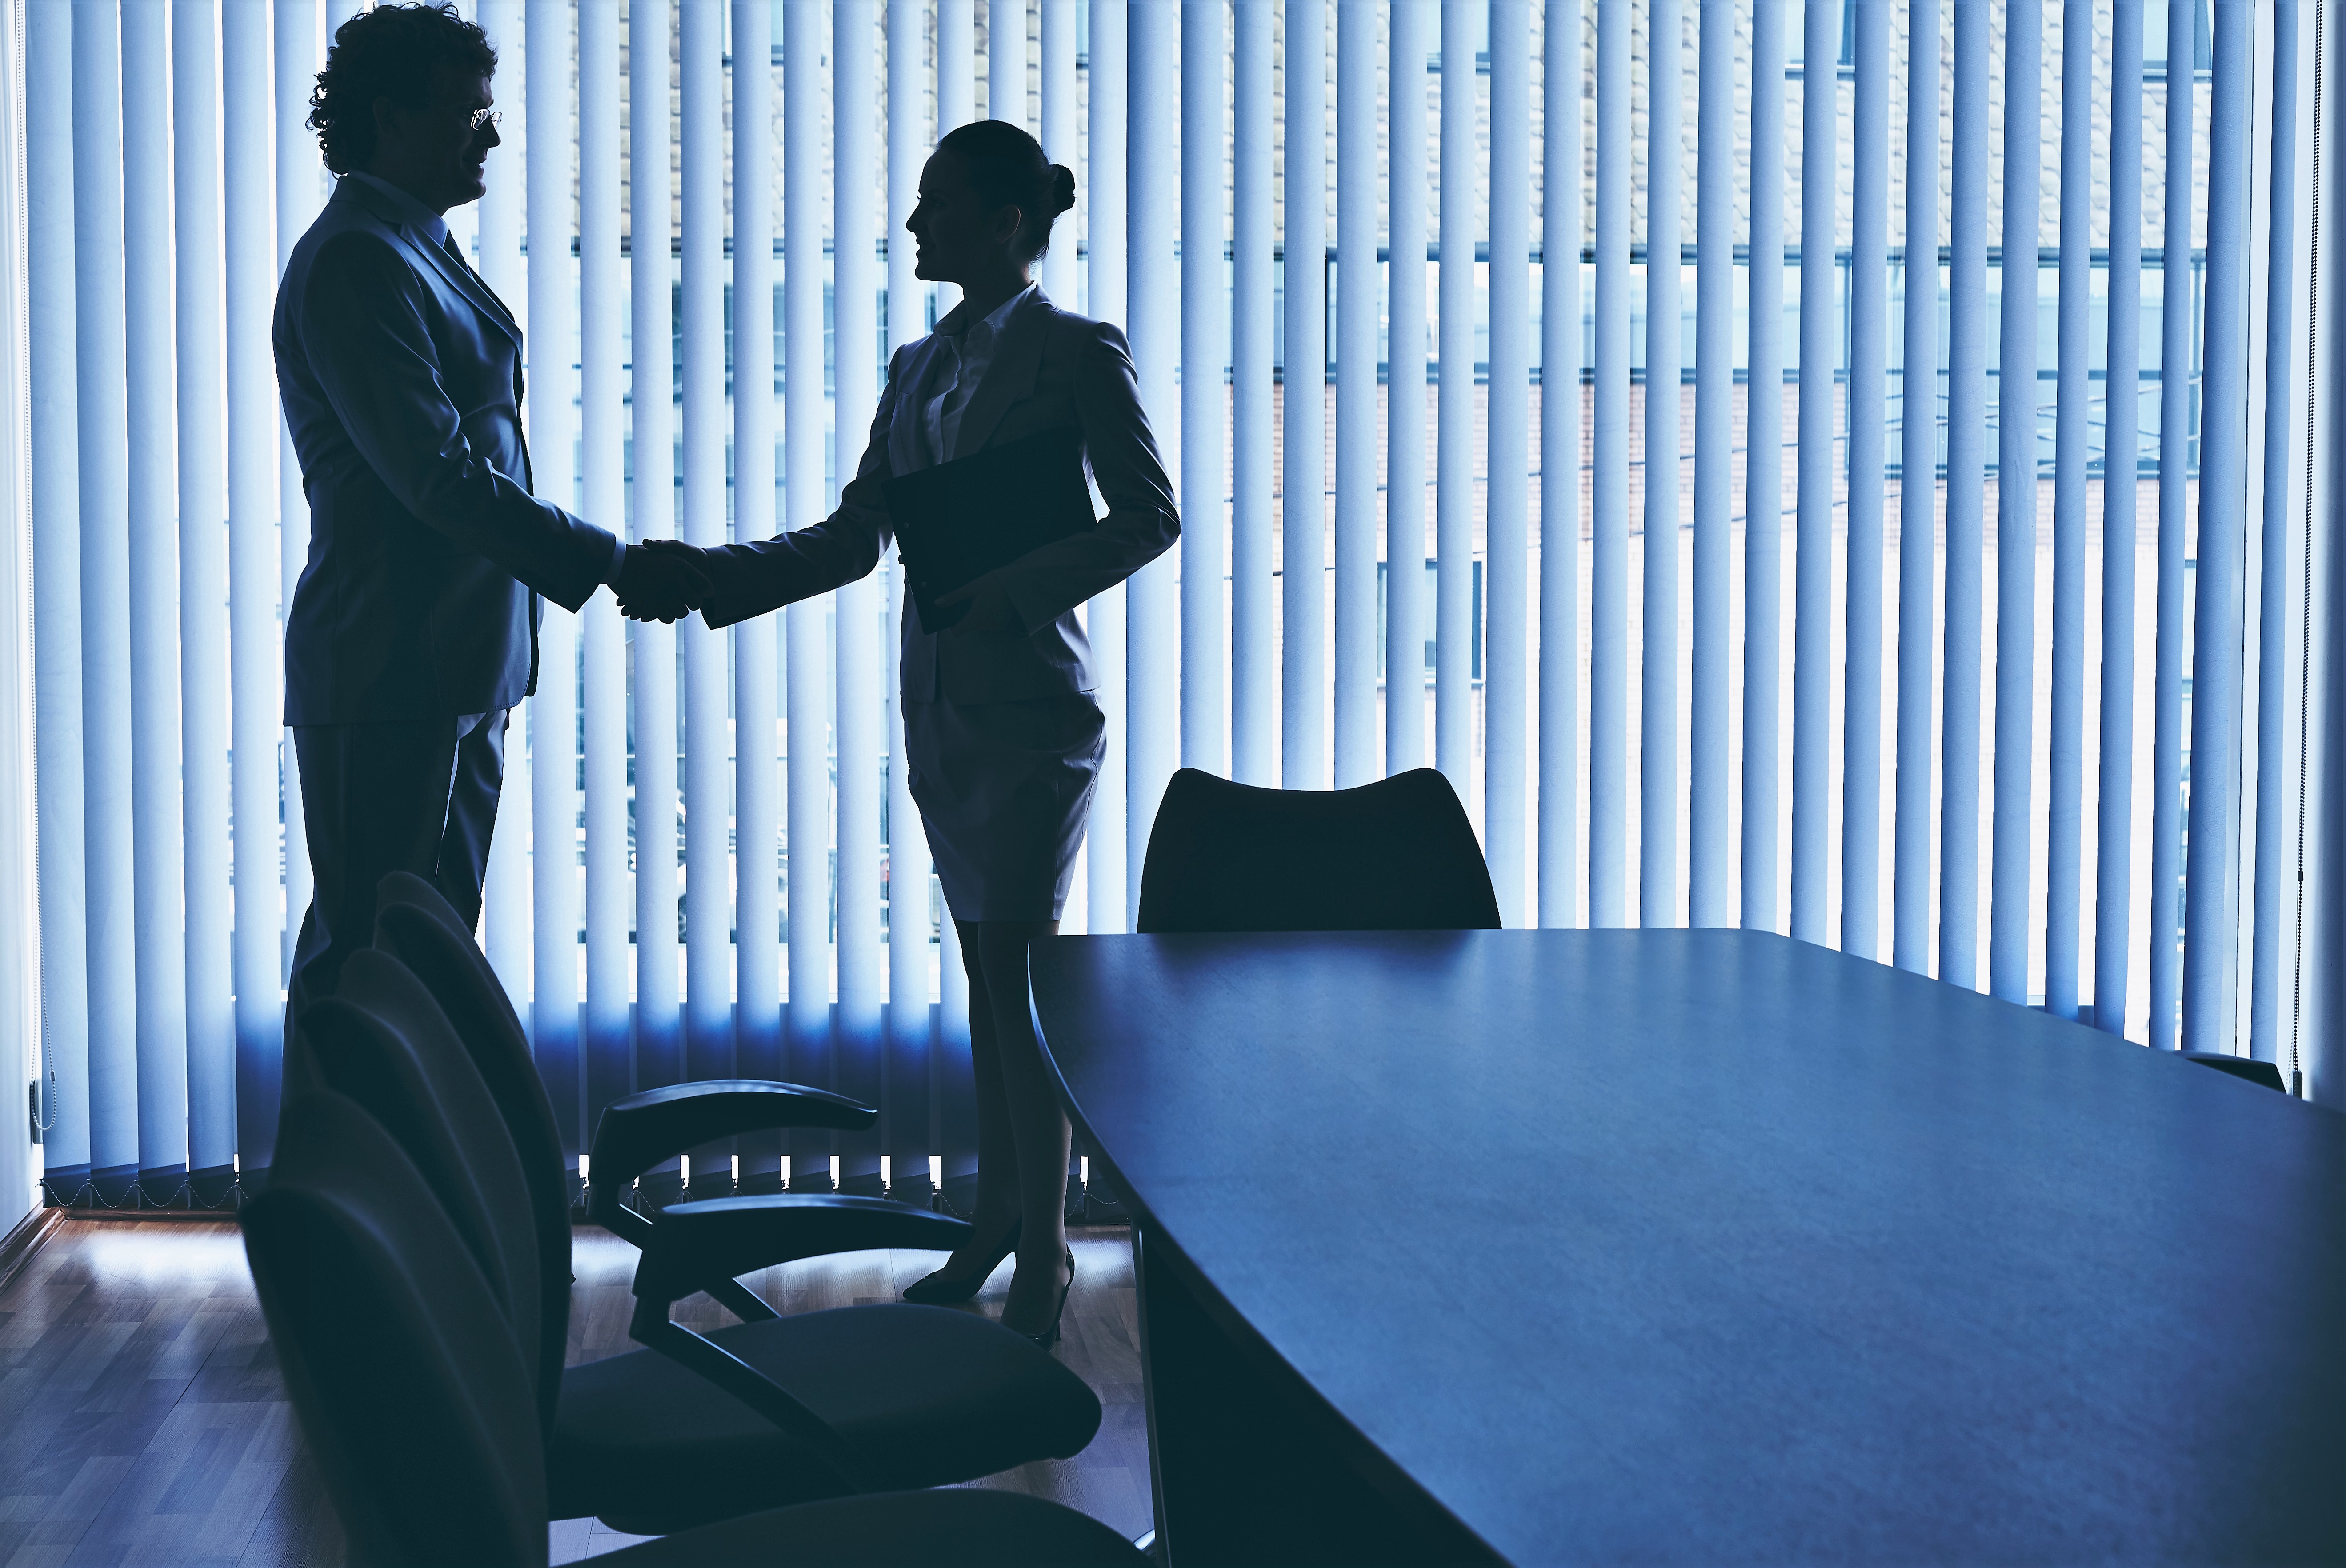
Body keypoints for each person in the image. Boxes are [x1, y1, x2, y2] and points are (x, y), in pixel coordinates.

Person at [644, 120, 1178, 1345]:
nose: (910, 226)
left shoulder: (1077, 353)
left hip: (1034, 711)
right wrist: (710, 577)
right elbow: (852, 539)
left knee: (1016, 987)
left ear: (1002, 221)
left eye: (934, 204)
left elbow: (1149, 519)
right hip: (939, 709)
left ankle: (1037, 1255)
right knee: (991, 989)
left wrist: (1017, 587)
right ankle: (998, 1221)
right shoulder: (915, 367)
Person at [273, 4, 705, 1039]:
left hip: (454, 663)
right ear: (391, 117)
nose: (494, 136)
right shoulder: (358, 260)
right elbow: (438, 479)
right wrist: (607, 560)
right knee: (375, 958)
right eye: (470, 115)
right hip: (388, 663)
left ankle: (406, 1188)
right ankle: (340, 1193)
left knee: (422, 951)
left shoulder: (413, 245)